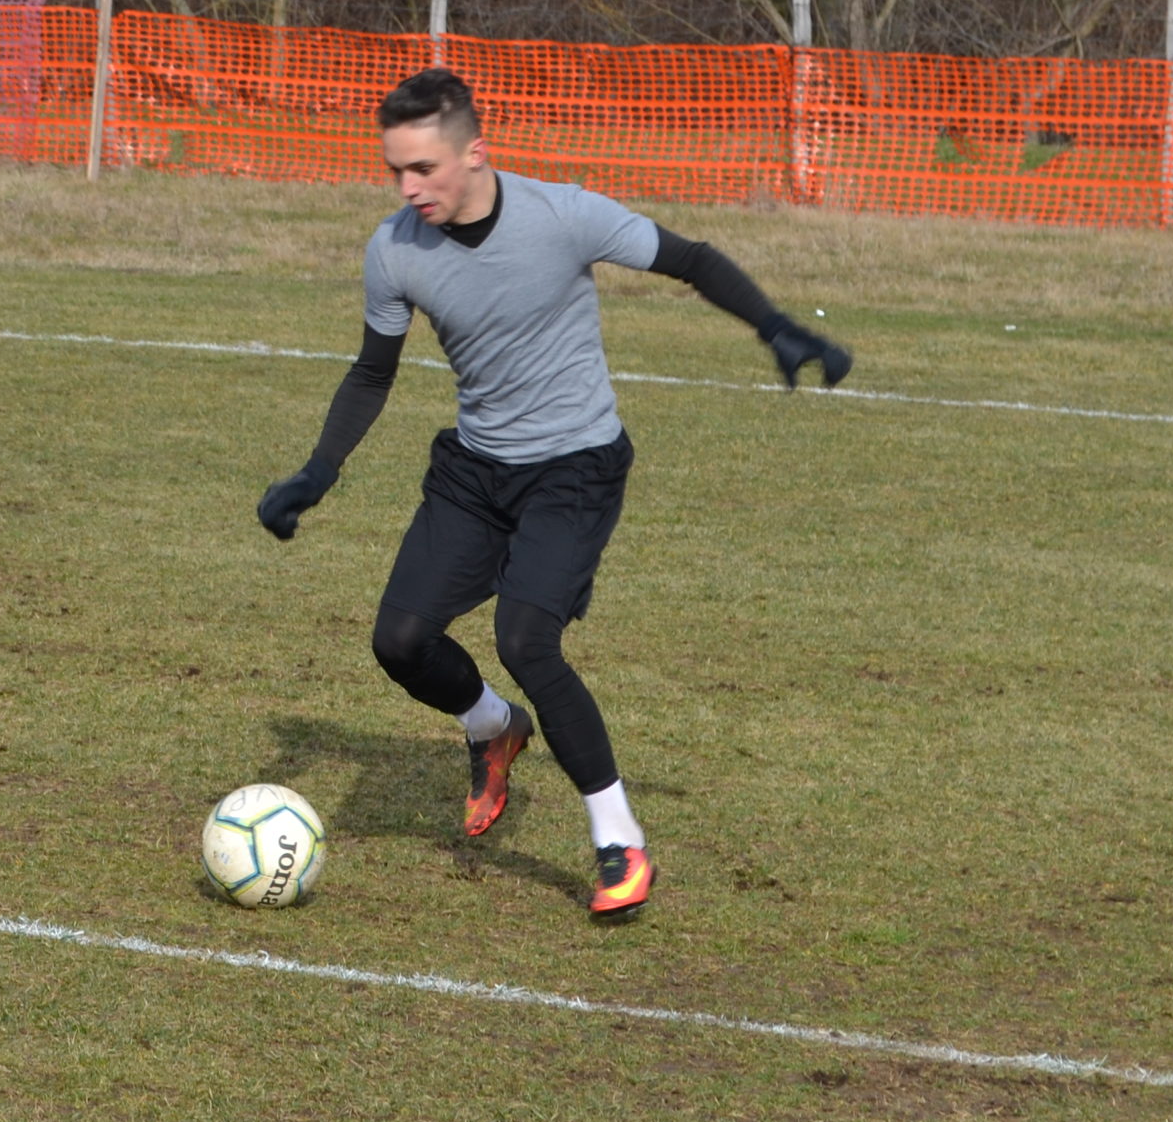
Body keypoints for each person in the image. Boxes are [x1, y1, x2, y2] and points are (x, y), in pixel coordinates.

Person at [256, 69, 850, 920]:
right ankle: (494, 727)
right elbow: (370, 374)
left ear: (474, 154)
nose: (407, 188)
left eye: (423, 168)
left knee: (527, 639)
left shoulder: (562, 216)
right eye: (396, 171)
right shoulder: (393, 252)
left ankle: (618, 840)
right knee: (400, 640)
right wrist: (319, 472)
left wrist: (777, 327)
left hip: (575, 467)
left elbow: (690, 258)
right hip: (475, 470)